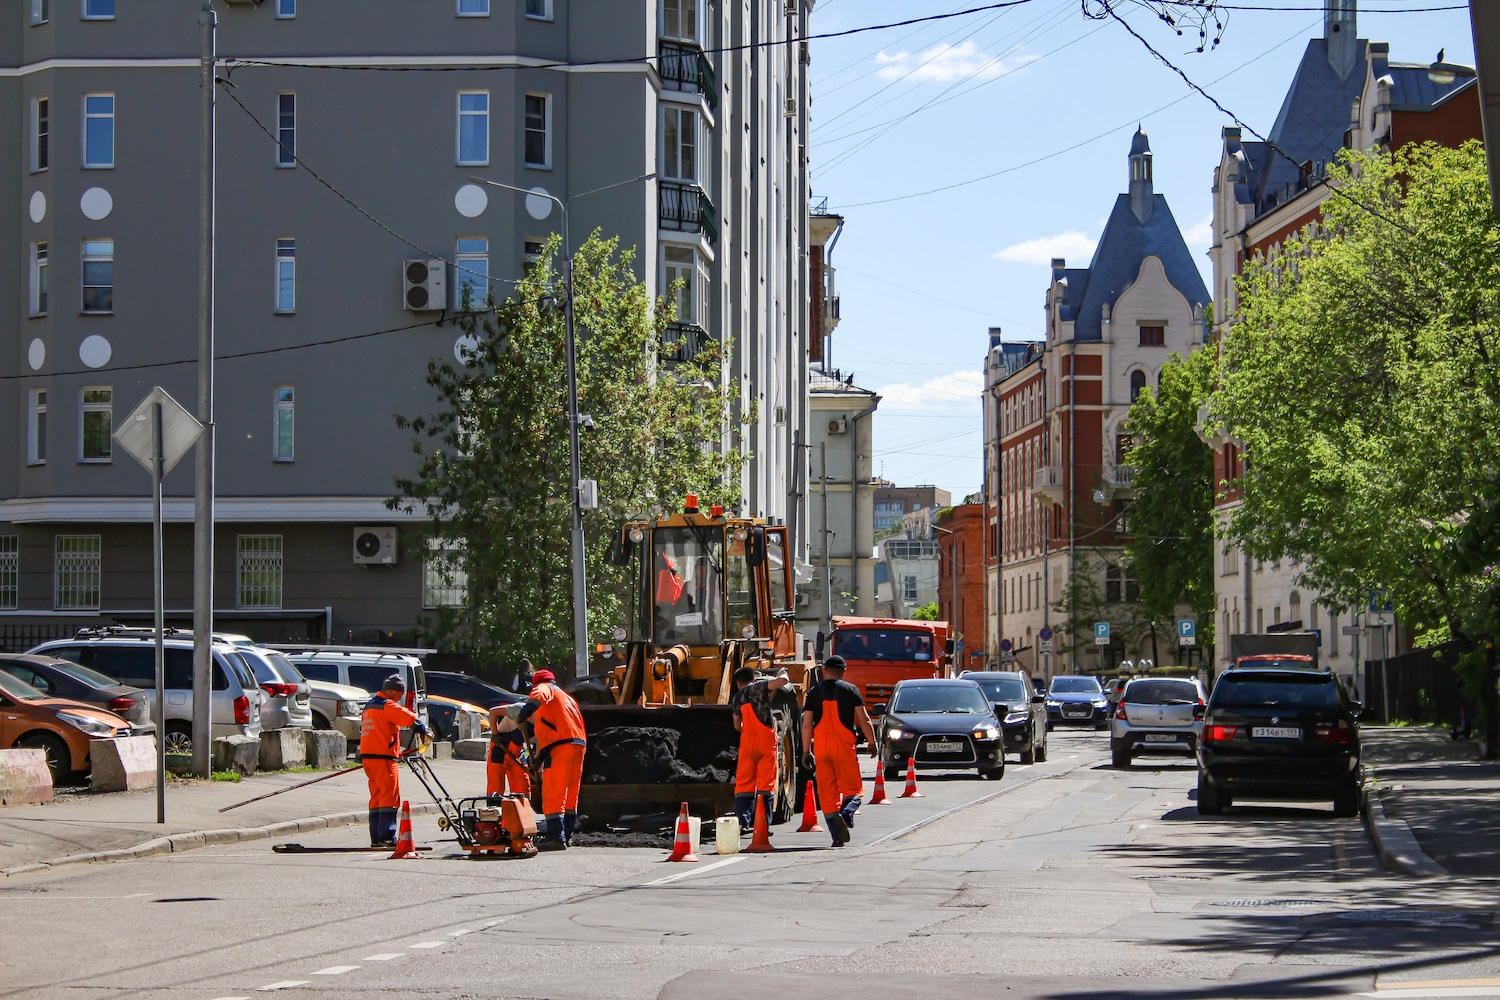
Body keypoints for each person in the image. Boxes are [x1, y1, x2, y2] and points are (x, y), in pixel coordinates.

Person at [800, 655, 877, 847]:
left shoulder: (813, 693)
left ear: (824, 670)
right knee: (853, 790)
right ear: (844, 671)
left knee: (827, 795)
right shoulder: (850, 690)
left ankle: (836, 836)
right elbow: (865, 719)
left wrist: (806, 751)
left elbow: (807, 725)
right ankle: (846, 813)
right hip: (843, 746)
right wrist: (872, 741)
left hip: (822, 748)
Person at [515, 669, 586, 849]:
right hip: (578, 745)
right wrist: (540, 756)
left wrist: (522, 715)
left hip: (561, 746)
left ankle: (556, 838)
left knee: (554, 792)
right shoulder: (567, 698)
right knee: (570, 794)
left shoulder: (545, 688)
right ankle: (567, 836)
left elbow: (537, 697)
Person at [359, 675, 428, 847]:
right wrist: (420, 726)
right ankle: (387, 836)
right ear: (390, 691)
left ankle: (376, 837)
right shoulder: (386, 705)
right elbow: (408, 718)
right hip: (384, 758)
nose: (399, 699)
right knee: (390, 797)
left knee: (377, 797)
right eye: (398, 695)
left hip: (369, 757)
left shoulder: (370, 706)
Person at [729, 665, 792, 832]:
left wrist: (749, 732)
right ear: (753, 679)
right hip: (765, 742)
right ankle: (762, 824)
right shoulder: (759, 687)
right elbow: (783, 681)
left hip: (747, 743)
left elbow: (737, 726)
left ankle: (743, 821)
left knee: (744, 783)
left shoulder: (736, 698)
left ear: (737, 683)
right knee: (766, 783)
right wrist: (782, 672)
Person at [486, 705, 530, 800]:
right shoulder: (520, 709)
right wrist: (495, 734)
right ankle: (493, 812)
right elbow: (492, 712)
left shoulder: (543, 718)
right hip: (499, 748)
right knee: (495, 791)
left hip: (517, 751)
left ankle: (521, 812)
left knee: (523, 790)